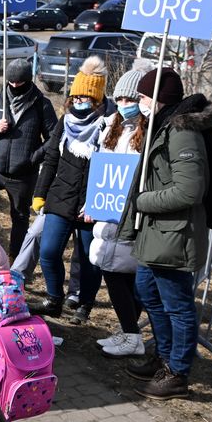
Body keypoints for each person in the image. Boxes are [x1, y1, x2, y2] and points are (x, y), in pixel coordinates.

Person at [121, 68, 212, 400]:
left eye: (144, 97)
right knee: (147, 289)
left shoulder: (182, 132)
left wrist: (144, 201)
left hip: (175, 235)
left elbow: (189, 191)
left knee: (178, 306)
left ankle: (177, 372)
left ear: (159, 99)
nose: (139, 103)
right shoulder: (162, 126)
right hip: (157, 233)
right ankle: (163, 355)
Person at [32, 56, 108, 324]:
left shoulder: (109, 124)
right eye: (75, 98)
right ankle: (54, 298)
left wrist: (96, 202)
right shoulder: (65, 123)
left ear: (97, 99)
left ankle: (85, 304)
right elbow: (51, 158)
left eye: (85, 98)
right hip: (61, 197)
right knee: (49, 251)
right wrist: (40, 193)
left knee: (89, 260)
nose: (79, 102)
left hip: (92, 204)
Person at [91, 66, 150, 357]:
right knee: (113, 271)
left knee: (121, 273)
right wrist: (92, 202)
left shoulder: (147, 132)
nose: (124, 105)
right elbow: (101, 169)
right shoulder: (112, 125)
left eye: (131, 99)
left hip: (131, 215)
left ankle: (131, 334)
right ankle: (129, 331)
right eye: (120, 99)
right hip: (109, 212)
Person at [0, 59, 58, 258]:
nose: (14, 87)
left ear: (28, 80)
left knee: (20, 217)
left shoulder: (41, 104)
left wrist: (33, 157)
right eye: (10, 82)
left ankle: (15, 261)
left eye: (19, 83)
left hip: (23, 176)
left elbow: (54, 137)